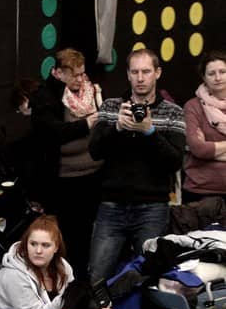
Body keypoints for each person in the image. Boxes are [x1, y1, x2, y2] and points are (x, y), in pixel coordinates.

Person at [88, 48, 185, 284]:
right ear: (128, 75)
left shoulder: (173, 112)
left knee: (150, 277)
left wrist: (150, 132)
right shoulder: (111, 107)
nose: (140, 78)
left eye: (146, 71)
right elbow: (95, 151)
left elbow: (174, 162)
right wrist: (117, 128)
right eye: (135, 72)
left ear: (157, 73)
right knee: (98, 276)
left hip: (152, 207)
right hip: (112, 205)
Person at [31, 48, 104, 279]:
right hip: (64, 180)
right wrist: (87, 124)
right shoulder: (45, 97)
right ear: (58, 73)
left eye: (82, 74)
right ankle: (65, 281)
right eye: (74, 75)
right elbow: (53, 132)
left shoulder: (92, 91)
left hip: (94, 174)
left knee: (88, 235)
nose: (80, 79)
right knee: (67, 237)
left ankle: (83, 280)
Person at [0, 215, 114, 309]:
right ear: (26, 244)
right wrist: (68, 296)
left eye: (45, 245)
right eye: (33, 244)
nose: (38, 251)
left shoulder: (63, 268)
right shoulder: (13, 275)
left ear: (56, 247)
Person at [183, 50, 226, 204]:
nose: (218, 78)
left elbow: (204, 150)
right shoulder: (192, 107)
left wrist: (210, 147)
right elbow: (198, 148)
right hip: (200, 192)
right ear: (204, 77)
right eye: (211, 73)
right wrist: (202, 148)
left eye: (222, 72)